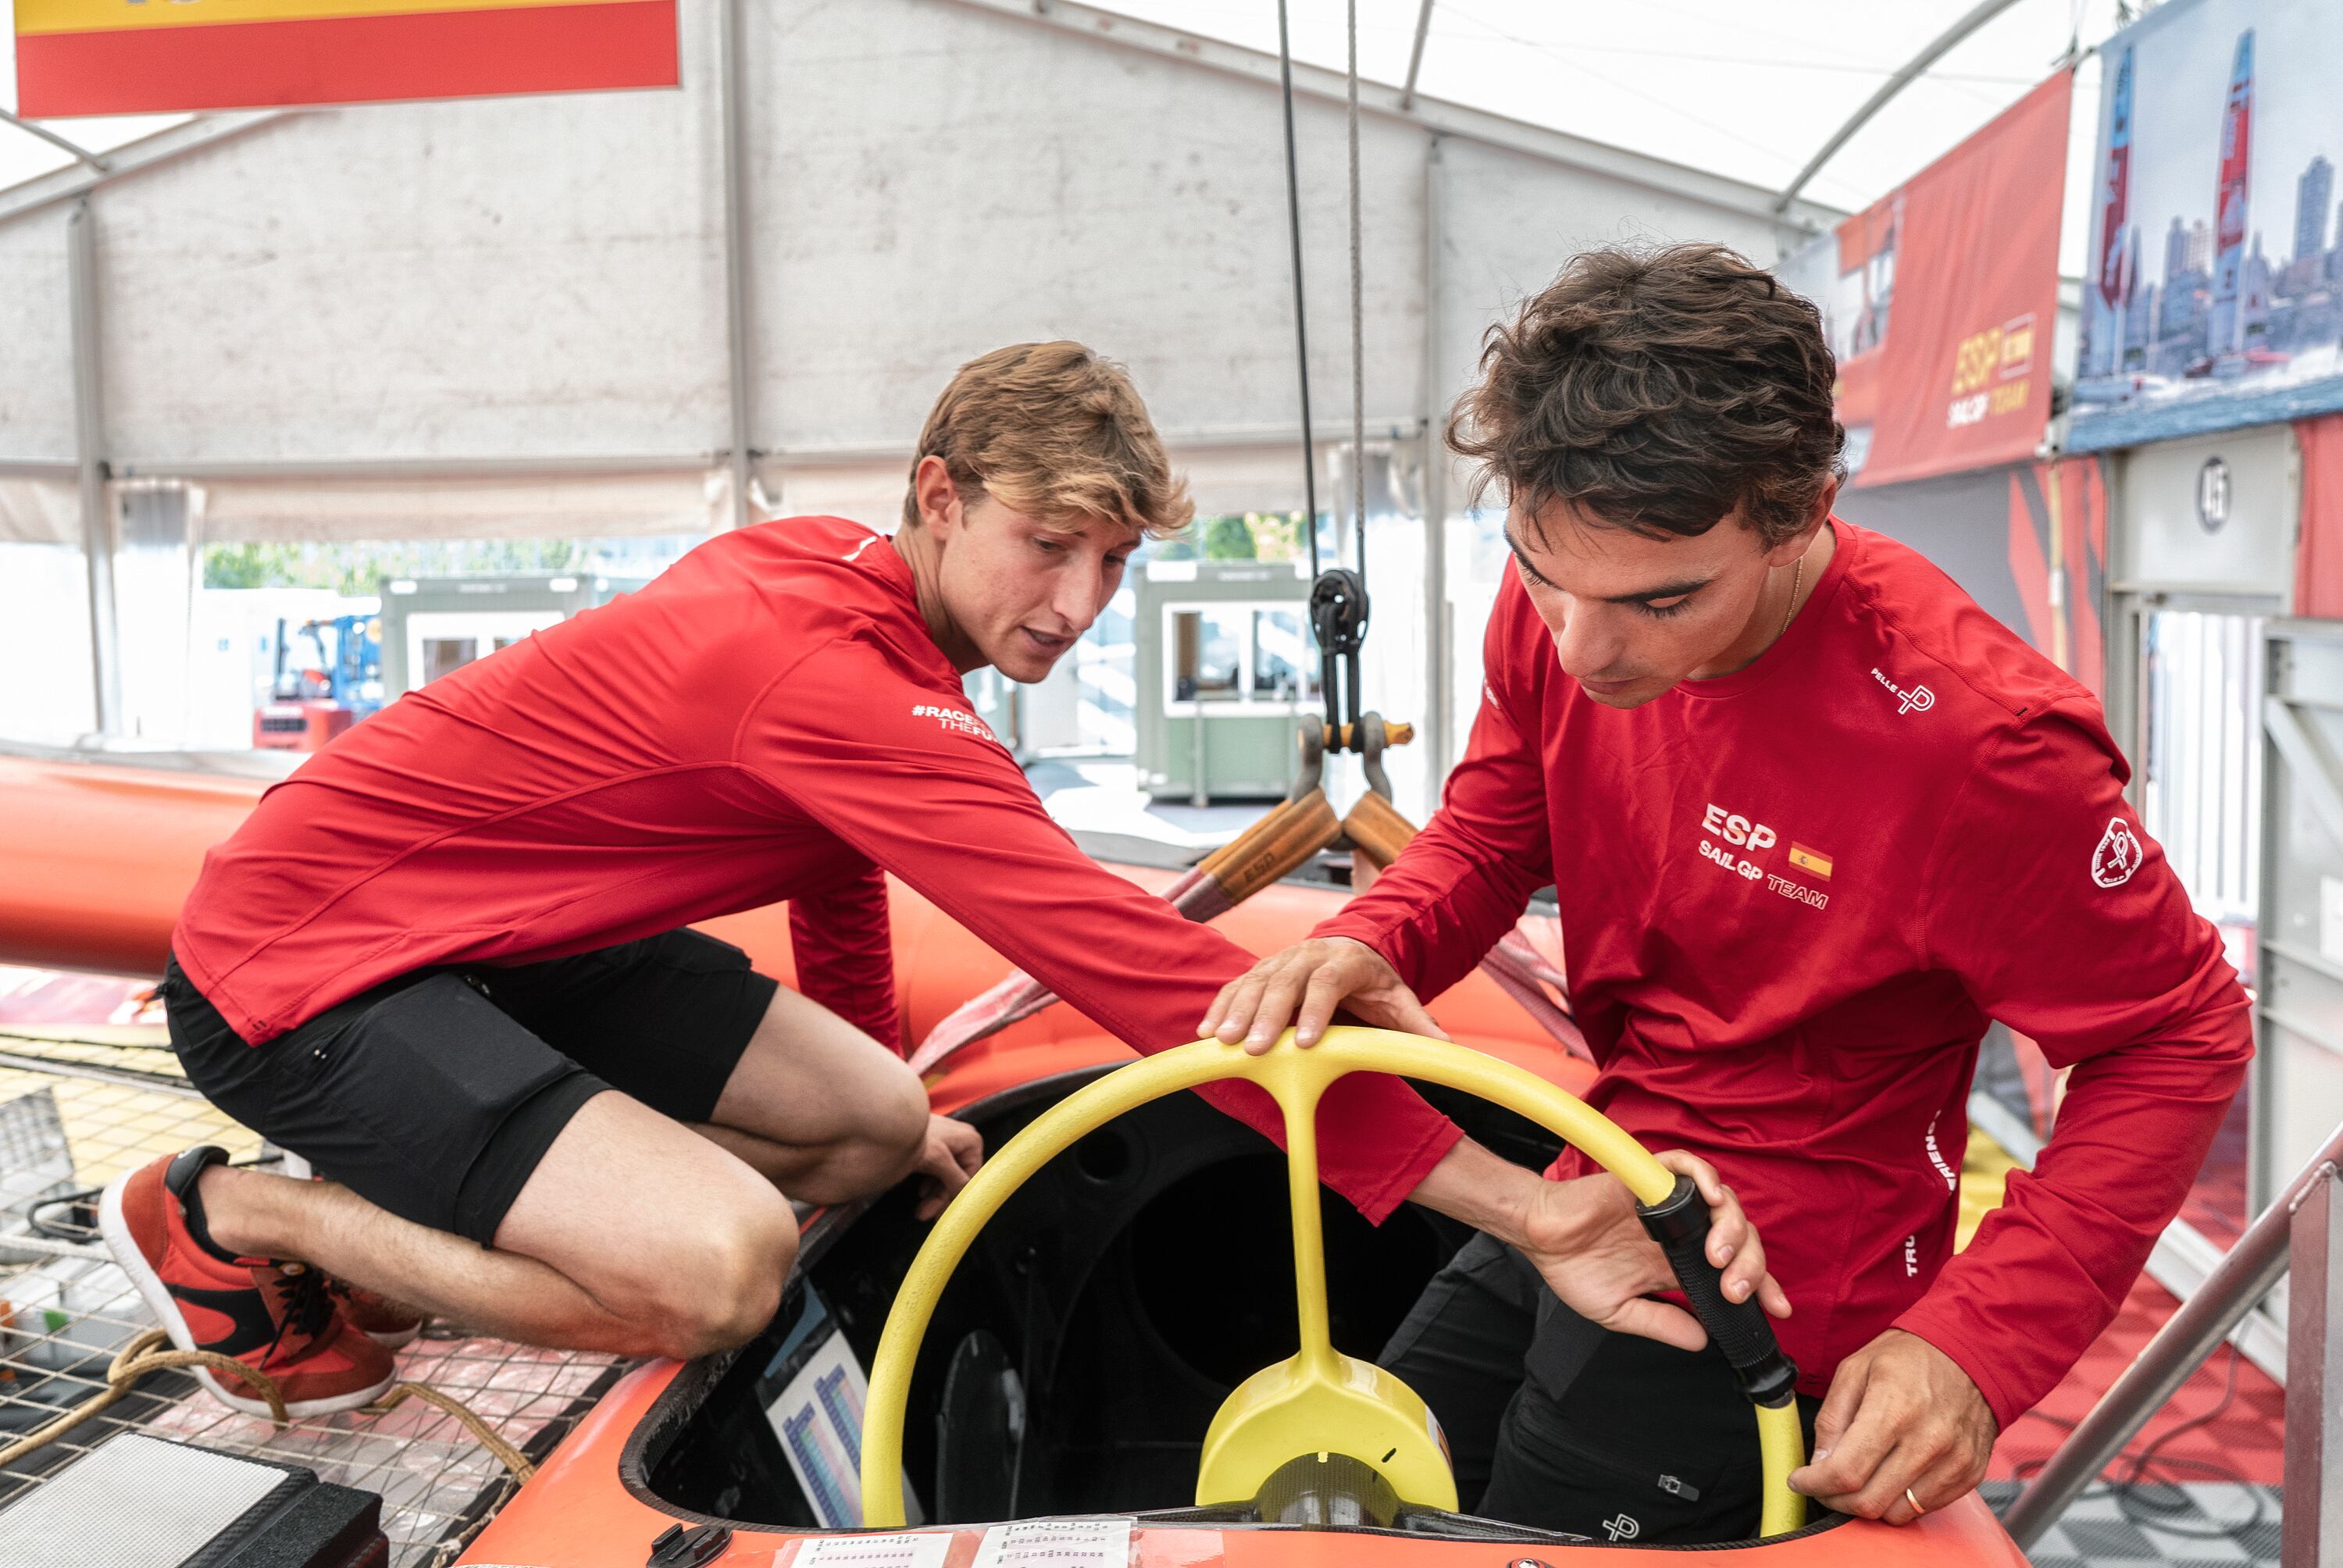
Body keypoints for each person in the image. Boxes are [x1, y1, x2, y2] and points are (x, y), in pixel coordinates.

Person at [108, 340, 1779, 1426]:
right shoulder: (826, 672)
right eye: (1048, 543)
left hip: (503, 945)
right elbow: (1131, 967)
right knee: (723, 1272)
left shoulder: (843, 587)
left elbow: (838, 873)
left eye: (1115, 563)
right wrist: (1520, 1199)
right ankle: (241, 1210)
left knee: (874, 1126)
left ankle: (435, 1234)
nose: (1076, 597)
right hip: (302, 967)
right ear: (940, 495)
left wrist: (900, 1116)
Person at [1200, 245, 2252, 1543]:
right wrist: (1377, 938)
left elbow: (2179, 1035)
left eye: (1661, 601)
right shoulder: (1578, 584)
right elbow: (1491, 827)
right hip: (1599, 1174)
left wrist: (1977, 1345)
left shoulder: (1976, 744)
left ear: (1803, 511)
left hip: (1781, 1282)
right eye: (1541, 574)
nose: (1583, 649)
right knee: (1344, 1505)